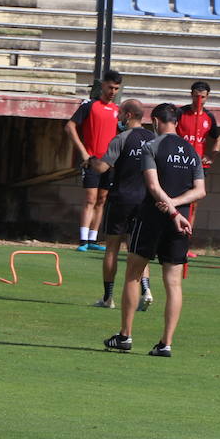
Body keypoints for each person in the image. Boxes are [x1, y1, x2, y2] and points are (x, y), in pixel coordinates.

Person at [103, 102, 206, 358]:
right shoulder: (191, 151)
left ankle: (125, 336)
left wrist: (169, 208)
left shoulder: (152, 146)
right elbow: (200, 191)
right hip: (181, 223)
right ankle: (165, 344)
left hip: (152, 218)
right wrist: (178, 208)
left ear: (157, 122)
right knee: (173, 283)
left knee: (133, 274)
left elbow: (152, 185)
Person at [88, 99, 154, 310]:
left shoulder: (121, 138)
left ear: (127, 115)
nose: (117, 117)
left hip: (121, 199)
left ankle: (108, 298)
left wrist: (90, 160)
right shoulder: (154, 139)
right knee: (139, 250)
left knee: (112, 249)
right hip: (145, 201)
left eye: (119, 113)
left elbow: (102, 168)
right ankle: (146, 290)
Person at [64, 69, 122, 252]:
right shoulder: (90, 106)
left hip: (109, 162)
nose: (113, 91)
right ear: (103, 85)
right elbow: (70, 127)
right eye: (110, 87)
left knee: (102, 199)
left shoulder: (117, 111)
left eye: (116, 88)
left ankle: (93, 238)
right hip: (92, 160)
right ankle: (82, 240)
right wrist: (83, 152)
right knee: (90, 198)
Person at [176, 81, 219, 258]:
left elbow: (217, 139)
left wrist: (212, 155)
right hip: (177, 163)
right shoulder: (180, 113)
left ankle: (184, 244)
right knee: (173, 200)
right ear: (191, 95)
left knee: (193, 205)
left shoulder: (209, 118)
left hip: (198, 167)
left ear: (207, 97)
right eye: (196, 96)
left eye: (202, 97)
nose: (199, 99)